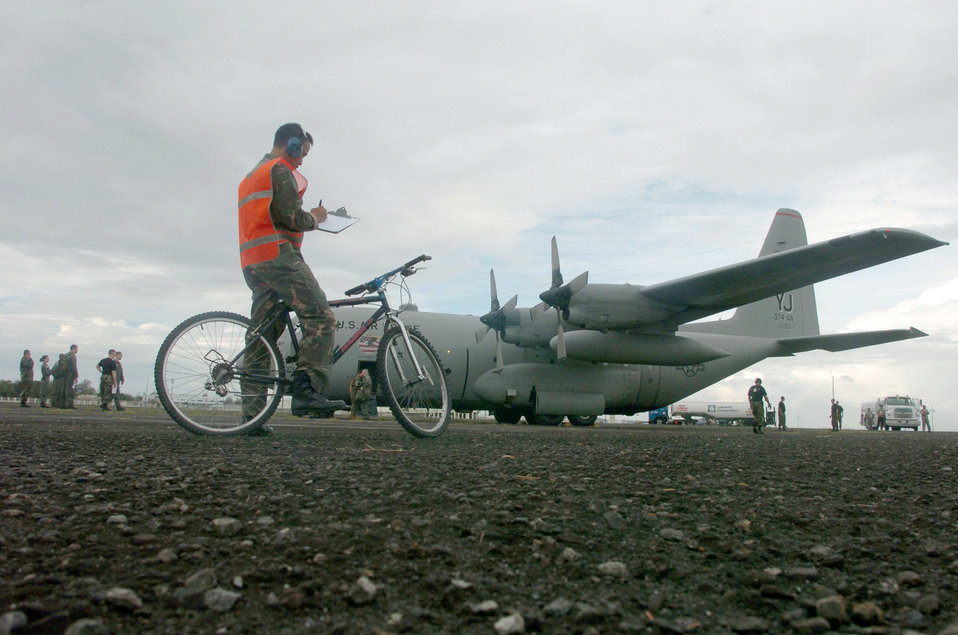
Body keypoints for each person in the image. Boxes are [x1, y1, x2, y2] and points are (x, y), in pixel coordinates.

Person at [238, 123, 345, 432]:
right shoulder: (280, 169)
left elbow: (271, 216)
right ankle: (307, 391)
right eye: (302, 153)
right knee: (321, 316)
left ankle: (252, 417)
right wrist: (317, 217)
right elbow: (293, 218)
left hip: (254, 261)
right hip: (278, 257)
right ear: (293, 144)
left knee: (261, 338)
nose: (301, 161)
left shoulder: (251, 176)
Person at [52, 345, 79, 409]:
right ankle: (69, 404)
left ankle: (62, 404)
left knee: (63, 389)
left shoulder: (65, 355)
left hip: (63, 374)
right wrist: (76, 376)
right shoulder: (73, 356)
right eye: (77, 349)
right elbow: (74, 366)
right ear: (74, 348)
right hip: (70, 375)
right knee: (69, 390)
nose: (77, 350)